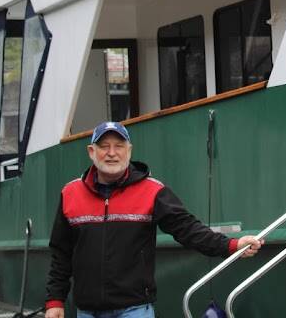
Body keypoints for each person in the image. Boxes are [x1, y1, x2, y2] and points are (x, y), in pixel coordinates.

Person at [45, 121, 263, 318]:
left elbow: (187, 229)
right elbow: (61, 254)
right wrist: (55, 300)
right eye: (104, 146)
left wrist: (232, 245)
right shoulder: (70, 194)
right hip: (87, 311)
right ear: (91, 151)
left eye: (119, 146)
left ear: (129, 151)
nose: (112, 153)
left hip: (134, 310)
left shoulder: (152, 191)